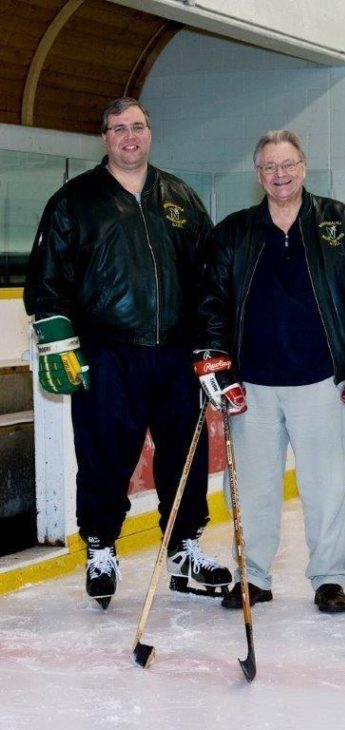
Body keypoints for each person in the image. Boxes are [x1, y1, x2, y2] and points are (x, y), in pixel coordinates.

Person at [24, 97, 231, 609]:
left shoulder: (179, 196)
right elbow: (46, 281)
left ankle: (184, 548)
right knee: (104, 457)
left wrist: (212, 343)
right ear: (105, 138)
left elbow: (209, 280)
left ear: (150, 132)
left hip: (176, 353)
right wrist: (57, 339)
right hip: (108, 353)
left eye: (137, 127)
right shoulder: (74, 201)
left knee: (186, 455)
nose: (129, 137)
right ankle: (100, 547)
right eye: (118, 129)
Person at [195, 130, 345, 613]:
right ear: (258, 173)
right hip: (254, 387)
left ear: (304, 166)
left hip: (320, 382)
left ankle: (329, 578)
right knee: (252, 490)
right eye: (269, 167)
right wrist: (214, 357)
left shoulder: (340, 224)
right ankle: (253, 576)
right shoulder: (235, 231)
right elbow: (211, 303)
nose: (279, 175)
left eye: (288, 165)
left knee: (325, 487)